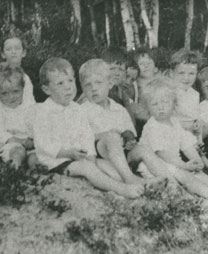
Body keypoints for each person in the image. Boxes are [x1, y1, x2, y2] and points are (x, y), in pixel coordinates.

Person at [33, 57, 144, 198]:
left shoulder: (76, 109)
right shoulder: (44, 111)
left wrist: (91, 157)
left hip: (79, 158)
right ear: (46, 89)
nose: (68, 87)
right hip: (56, 161)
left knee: (108, 169)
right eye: (60, 83)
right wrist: (68, 153)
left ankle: (135, 182)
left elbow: (86, 135)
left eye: (70, 81)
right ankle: (122, 190)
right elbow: (43, 145)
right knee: (87, 169)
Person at [139, 79, 208, 204]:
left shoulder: (175, 123)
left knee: (198, 173)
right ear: (147, 108)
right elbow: (162, 153)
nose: (160, 108)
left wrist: (196, 160)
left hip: (173, 163)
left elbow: (186, 145)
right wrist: (183, 165)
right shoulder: (152, 126)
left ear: (173, 104)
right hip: (154, 166)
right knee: (186, 175)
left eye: (165, 103)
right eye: (154, 104)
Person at [79, 59, 172, 185]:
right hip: (102, 154)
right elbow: (81, 139)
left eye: (99, 83)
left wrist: (130, 140)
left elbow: (130, 133)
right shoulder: (82, 110)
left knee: (143, 149)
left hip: (124, 153)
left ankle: (168, 180)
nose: (94, 88)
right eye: (88, 85)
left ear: (110, 83)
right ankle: (131, 179)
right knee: (112, 138)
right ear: (82, 88)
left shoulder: (119, 109)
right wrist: (106, 135)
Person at [169, 49, 208, 180]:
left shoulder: (194, 94)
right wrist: (191, 126)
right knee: (190, 139)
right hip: (177, 132)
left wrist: (199, 123)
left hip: (194, 130)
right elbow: (169, 121)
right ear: (172, 73)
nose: (186, 78)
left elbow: (196, 115)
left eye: (191, 73)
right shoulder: (170, 92)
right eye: (181, 73)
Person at [0, 62, 38, 169]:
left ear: (23, 89)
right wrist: (17, 140)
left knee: (35, 157)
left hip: (29, 144)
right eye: (4, 93)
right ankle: (15, 170)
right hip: (9, 145)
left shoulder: (30, 108)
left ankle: (37, 174)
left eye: (15, 91)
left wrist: (32, 139)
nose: (11, 97)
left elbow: (37, 126)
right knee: (17, 153)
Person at [0, 33, 35, 106]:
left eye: (17, 48)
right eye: (8, 49)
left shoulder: (26, 79)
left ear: (24, 53)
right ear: (3, 54)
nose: (13, 52)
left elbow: (30, 104)